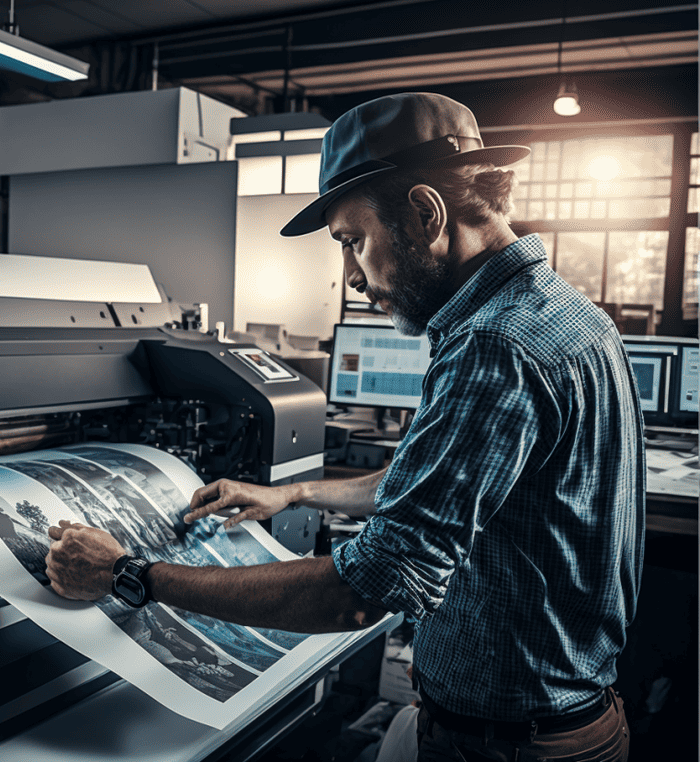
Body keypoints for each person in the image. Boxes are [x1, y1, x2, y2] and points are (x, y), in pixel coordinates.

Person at [45, 92, 643, 762]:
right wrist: (296, 494)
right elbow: (440, 486)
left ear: (425, 213)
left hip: (506, 747)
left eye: (353, 241)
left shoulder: (494, 346)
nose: (351, 275)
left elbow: (365, 591)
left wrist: (134, 573)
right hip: (567, 721)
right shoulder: (565, 315)